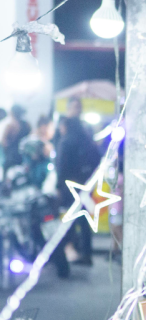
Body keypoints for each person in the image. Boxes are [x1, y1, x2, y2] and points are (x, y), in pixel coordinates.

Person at [54, 105, 101, 267]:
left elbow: (61, 166)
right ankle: (85, 252)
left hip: (69, 186)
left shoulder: (66, 141)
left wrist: (59, 187)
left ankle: (66, 252)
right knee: (82, 219)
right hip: (85, 185)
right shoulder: (86, 140)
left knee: (70, 219)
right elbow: (97, 160)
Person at [1, 105, 31, 175]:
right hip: (24, 157)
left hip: (11, 158)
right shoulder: (27, 124)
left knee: (8, 179)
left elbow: (3, 142)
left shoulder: (10, 126)